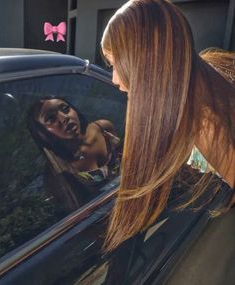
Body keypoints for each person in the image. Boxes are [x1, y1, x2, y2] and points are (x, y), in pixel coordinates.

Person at [100, 0, 235, 251]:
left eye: (116, 63)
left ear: (147, 63)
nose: (115, 79)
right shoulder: (204, 77)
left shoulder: (205, 122)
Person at [27, 97, 121, 210]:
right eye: (51, 118)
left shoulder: (102, 128)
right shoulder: (58, 173)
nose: (64, 118)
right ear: (42, 133)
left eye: (65, 109)